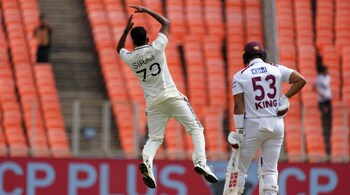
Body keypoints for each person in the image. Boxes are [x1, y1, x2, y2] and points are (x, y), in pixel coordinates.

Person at [116, 5, 218, 189]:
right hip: (172, 97)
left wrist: (125, 31)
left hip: (153, 104)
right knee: (196, 129)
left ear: (133, 44)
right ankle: (200, 162)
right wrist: (146, 10)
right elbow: (166, 23)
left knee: (154, 139)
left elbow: (119, 48)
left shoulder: (131, 58)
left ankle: (147, 162)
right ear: (147, 39)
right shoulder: (156, 48)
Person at [223, 41, 306, 195]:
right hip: (276, 125)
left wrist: (239, 130)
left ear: (245, 57)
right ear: (263, 55)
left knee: (237, 169)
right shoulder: (277, 69)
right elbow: (301, 79)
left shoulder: (241, 75)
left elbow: (238, 106)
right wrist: (285, 98)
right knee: (269, 170)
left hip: (253, 125)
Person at [314, 65, 332, 155]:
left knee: (329, 114)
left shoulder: (328, 77)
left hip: (328, 98)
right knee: (324, 114)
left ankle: (327, 122)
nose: (327, 71)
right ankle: (324, 122)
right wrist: (320, 94)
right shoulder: (318, 78)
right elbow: (314, 87)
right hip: (322, 99)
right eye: (326, 70)